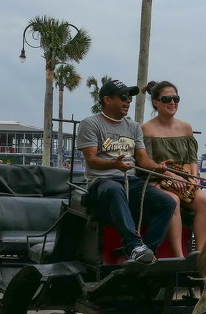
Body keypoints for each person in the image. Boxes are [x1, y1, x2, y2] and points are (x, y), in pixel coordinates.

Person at [75, 78, 176, 263]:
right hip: (101, 183)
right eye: (123, 97)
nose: (128, 101)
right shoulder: (90, 124)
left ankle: (147, 252)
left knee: (167, 202)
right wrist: (114, 164)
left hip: (130, 181)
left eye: (129, 97)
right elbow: (91, 160)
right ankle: (134, 245)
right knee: (114, 189)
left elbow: (143, 159)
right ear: (107, 99)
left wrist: (158, 168)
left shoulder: (133, 126)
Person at [141, 80, 206, 256]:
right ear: (155, 102)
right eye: (166, 99)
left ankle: (200, 256)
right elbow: (145, 162)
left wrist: (194, 179)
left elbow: (192, 158)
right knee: (173, 201)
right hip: (156, 179)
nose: (172, 102)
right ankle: (179, 257)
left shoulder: (186, 127)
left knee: (204, 202)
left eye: (176, 98)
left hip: (184, 179)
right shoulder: (146, 129)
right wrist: (170, 176)